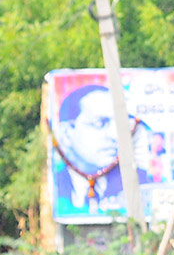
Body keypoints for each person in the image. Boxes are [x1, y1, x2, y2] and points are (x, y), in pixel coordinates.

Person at [52, 84, 151, 216]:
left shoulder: (140, 180)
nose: (114, 135)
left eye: (118, 124)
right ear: (67, 134)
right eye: (100, 123)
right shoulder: (54, 185)